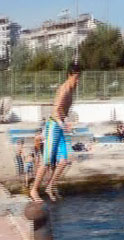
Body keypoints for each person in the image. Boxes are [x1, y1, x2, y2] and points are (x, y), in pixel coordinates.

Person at [30, 63, 80, 202]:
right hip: (53, 125)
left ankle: (50, 186)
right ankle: (33, 190)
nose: (78, 80)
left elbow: (64, 111)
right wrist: (62, 124)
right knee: (46, 162)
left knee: (64, 161)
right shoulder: (63, 89)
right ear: (70, 75)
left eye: (79, 77)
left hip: (60, 125)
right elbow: (55, 110)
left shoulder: (72, 88)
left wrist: (67, 123)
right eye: (76, 77)